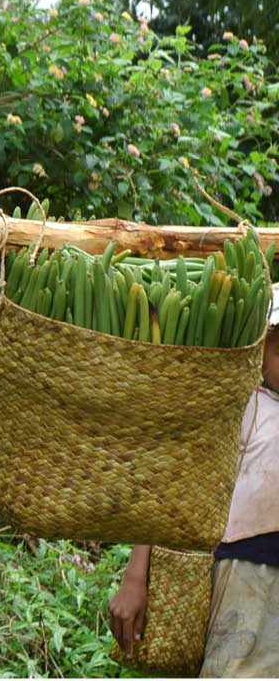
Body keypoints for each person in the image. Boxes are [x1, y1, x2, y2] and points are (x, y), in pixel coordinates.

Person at [109, 281, 279, 677]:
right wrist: (137, 575)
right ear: (258, 350)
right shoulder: (243, 406)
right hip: (249, 576)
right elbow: (169, 480)